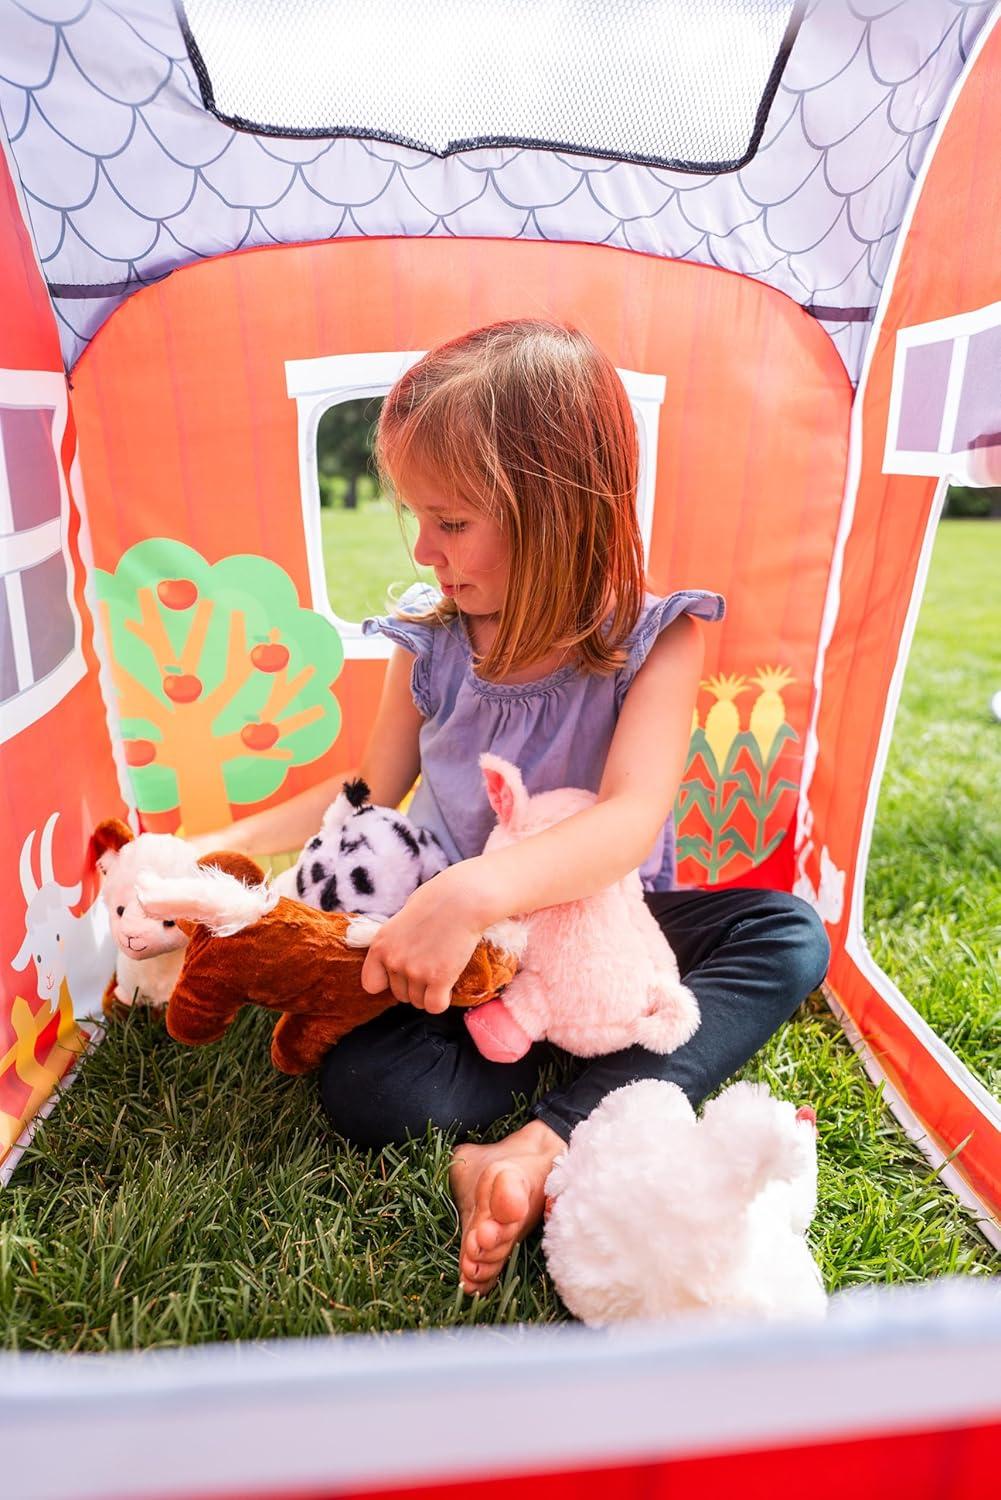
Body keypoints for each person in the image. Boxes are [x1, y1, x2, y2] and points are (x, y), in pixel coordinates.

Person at [197, 319, 830, 1296]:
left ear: (554, 510)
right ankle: (544, 1100)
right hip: (478, 974)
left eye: (449, 521)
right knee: (369, 1094)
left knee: (786, 933)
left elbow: (626, 818)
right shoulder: (428, 637)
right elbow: (365, 793)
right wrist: (219, 850)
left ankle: (544, 1140)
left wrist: (475, 890)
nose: (423, 546)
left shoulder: (653, 639)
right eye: (415, 516)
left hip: (608, 939)